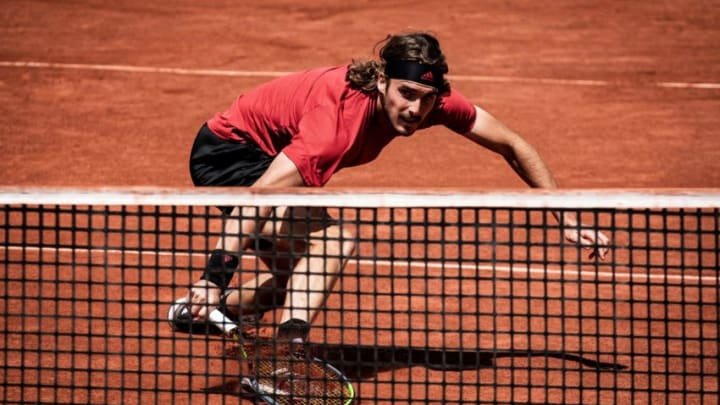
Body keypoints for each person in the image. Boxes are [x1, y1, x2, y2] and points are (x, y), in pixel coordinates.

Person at [168, 31, 610, 349]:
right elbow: (259, 198)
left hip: (268, 159)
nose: (415, 109)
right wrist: (214, 274)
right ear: (381, 82)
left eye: (426, 98)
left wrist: (567, 218)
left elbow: (513, 145)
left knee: (300, 278)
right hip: (230, 154)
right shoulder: (334, 128)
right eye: (405, 93)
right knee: (331, 243)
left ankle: (208, 310)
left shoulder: (434, 101)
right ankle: (288, 356)